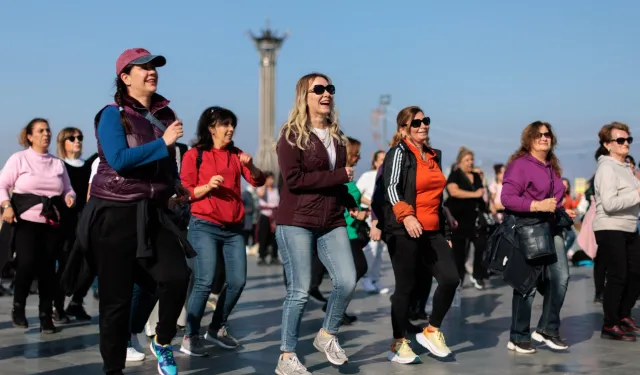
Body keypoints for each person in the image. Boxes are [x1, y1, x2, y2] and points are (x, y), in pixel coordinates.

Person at [85, 48, 193, 375]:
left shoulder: (164, 115)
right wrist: (164, 142)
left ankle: (162, 341)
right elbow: (118, 159)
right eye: (142, 68)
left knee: (178, 277)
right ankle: (113, 370)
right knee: (116, 303)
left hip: (154, 212)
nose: (151, 72)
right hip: (114, 213)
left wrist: (175, 185)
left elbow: (166, 163)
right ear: (125, 77)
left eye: (154, 67)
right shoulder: (111, 114)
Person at [274, 72, 359, 375]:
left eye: (330, 89)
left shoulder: (337, 136)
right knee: (299, 291)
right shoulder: (290, 135)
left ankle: (327, 334)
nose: (326, 94)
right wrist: (340, 177)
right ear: (304, 97)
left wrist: (350, 202)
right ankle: (286, 356)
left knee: (347, 280)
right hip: (296, 219)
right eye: (319, 89)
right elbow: (294, 181)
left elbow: (335, 182)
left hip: (332, 218)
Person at [180, 106, 266, 356]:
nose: (230, 129)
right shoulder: (194, 155)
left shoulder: (236, 155)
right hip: (203, 225)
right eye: (225, 124)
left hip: (233, 228)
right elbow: (185, 192)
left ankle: (216, 328)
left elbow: (258, 181)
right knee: (204, 281)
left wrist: (252, 166)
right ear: (211, 127)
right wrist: (207, 187)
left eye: (232, 125)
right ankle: (190, 335)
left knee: (238, 281)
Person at [379, 106, 458, 363]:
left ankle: (431, 330)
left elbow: (439, 198)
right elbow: (391, 188)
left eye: (426, 121)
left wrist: (444, 230)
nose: (423, 125)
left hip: (432, 230)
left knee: (450, 278)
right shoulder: (399, 153)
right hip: (404, 230)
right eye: (416, 123)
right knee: (406, 287)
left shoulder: (433, 156)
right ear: (403, 129)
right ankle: (399, 342)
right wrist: (407, 214)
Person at [501, 121, 573, 354]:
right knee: (527, 284)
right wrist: (536, 205)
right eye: (539, 135)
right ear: (529, 139)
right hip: (527, 229)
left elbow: (553, 201)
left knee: (560, 278)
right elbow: (507, 198)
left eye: (548, 134)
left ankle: (547, 329)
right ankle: (518, 335)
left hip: (551, 229)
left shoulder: (551, 166)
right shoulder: (520, 166)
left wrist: (562, 211)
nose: (544, 138)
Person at [0, 118, 76, 334]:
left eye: (48, 130)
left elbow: (68, 189)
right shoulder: (20, 159)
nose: (46, 134)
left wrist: (70, 197)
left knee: (48, 272)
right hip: (25, 221)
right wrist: (6, 205)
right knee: (26, 263)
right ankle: (19, 307)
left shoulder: (57, 163)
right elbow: (2, 184)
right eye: (41, 131)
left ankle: (45, 317)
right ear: (30, 136)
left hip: (51, 222)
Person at [593, 122, 640, 341]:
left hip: (629, 226)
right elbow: (610, 204)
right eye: (619, 140)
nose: (625, 144)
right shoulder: (606, 168)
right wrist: (638, 194)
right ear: (607, 144)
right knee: (618, 275)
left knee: (635, 273)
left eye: (627, 139)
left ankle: (623, 315)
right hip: (610, 227)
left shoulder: (625, 168)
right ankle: (610, 323)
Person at [53, 127, 93, 323]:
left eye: (80, 137)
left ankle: (76, 303)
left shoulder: (89, 165)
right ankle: (58, 307)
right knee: (65, 263)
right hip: (65, 224)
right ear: (63, 142)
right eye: (72, 138)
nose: (77, 141)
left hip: (85, 221)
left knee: (91, 263)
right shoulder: (58, 165)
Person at [446, 147, 489, 290]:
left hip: (475, 218)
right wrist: (474, 194)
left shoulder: (476, 176)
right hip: (459, 219)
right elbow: (453, 191)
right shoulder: (455, 175)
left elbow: (481, 192)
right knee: (459, 253)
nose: (470, 163)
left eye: (471, 160)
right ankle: (459, 279)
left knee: (481, 245)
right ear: (459, 162)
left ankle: (477, 275)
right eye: (466, 160)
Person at [357, 150, 390, 294]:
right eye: (381, 160)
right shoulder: (367, 176)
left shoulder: (389, 177)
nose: (383, 162)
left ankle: (375, 279)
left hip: (385, 218)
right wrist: (370, 203)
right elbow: (356, 194)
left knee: (381, 251)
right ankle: (366, 278)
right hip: (370, 217)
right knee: (372, 248)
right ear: (375, 162)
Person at [256, 172, 280, 265]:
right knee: (263, 236)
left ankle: (274, 256)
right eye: (269, 179)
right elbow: (260, 194)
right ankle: (262, 256)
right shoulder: (261, 188)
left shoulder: (275, 189)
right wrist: (264, 185)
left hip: (274, 216)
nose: (271, 181)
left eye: (272, 178)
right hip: (265, 215)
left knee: (274, 237)